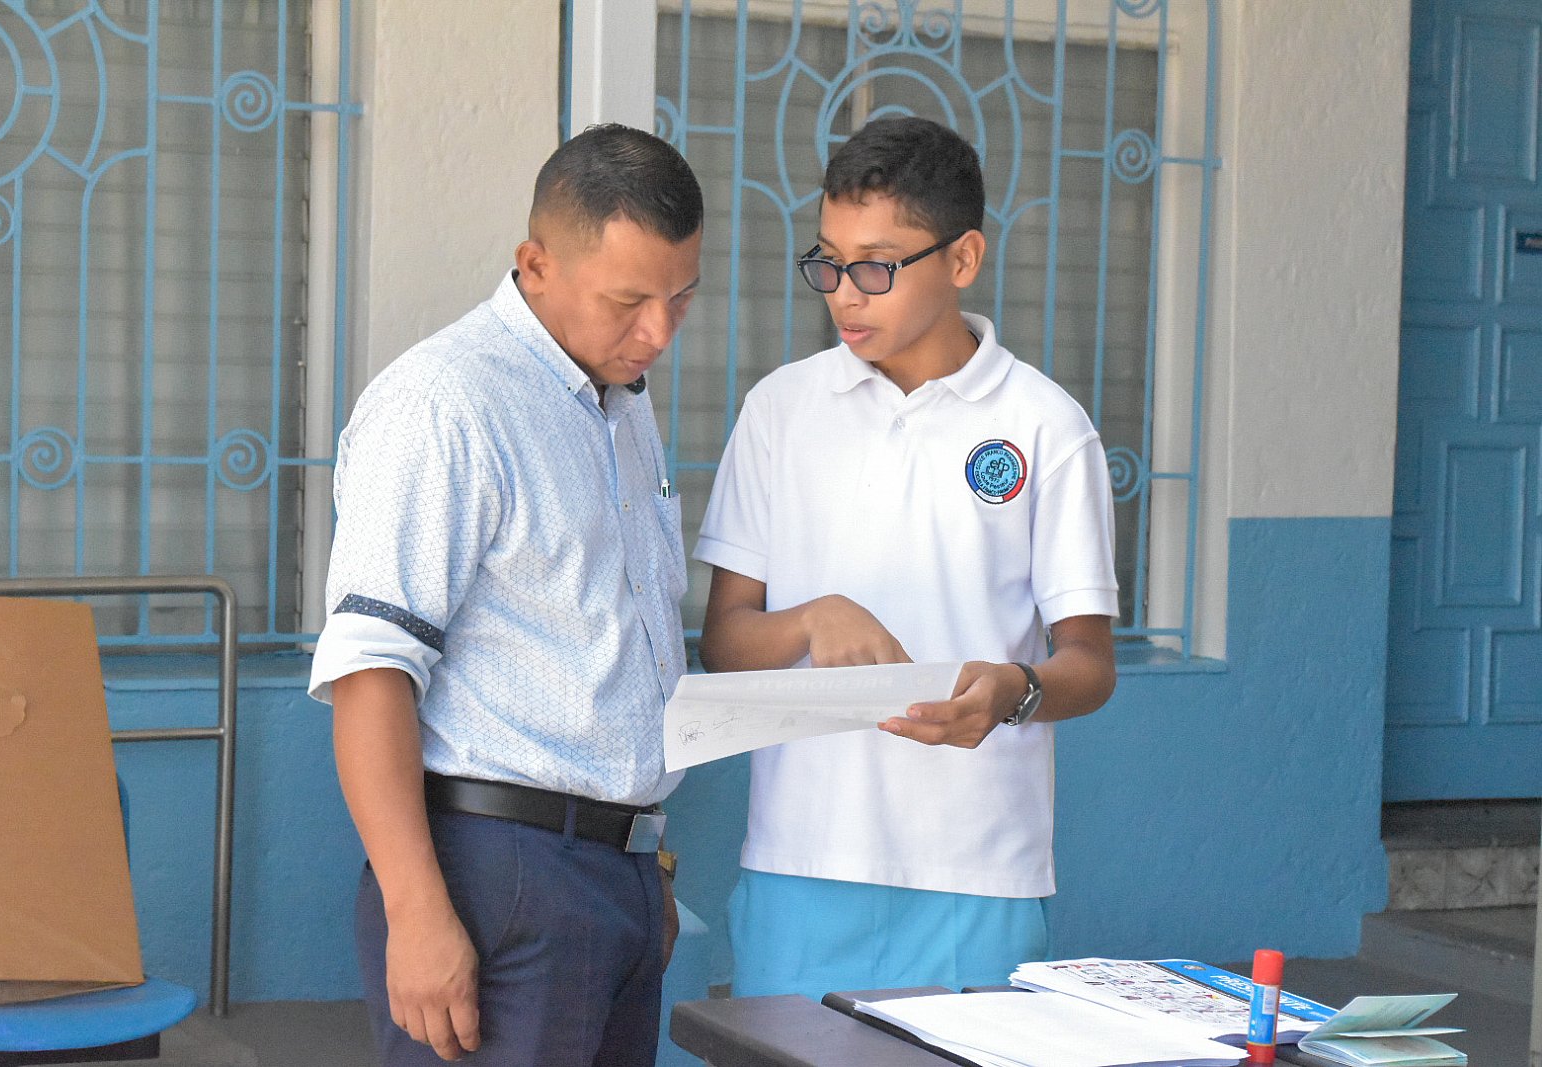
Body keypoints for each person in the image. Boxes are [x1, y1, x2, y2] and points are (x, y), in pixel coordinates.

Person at [694, 116, 1119, 998]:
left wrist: (1015, 689)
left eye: (877, 266)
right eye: (828, 263)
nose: (845, 295)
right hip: (801, 858)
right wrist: (811, 620)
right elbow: (725, 643)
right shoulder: (780, 412)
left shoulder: (1048, 427)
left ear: (963, 259)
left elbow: (1089, 662)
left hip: (979, 869)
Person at [308, 123, 701, 1066]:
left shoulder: (620, 402)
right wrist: (417, 912)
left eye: (681, 297)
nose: (658, 332)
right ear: (534, 264)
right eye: (628, 301)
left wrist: (645, 862)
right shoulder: (446, 404)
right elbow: (370, 673)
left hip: (616, 876)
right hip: (498, 879)